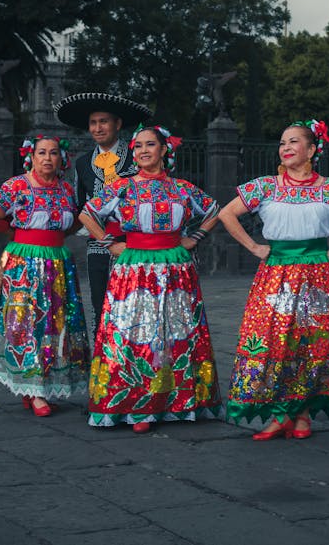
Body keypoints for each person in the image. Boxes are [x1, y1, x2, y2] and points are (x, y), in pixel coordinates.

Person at [219, 119, 329, 440]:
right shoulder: (265, 186)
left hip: (320, 275)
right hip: (276, 273)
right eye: (282, 143)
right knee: (274, 342)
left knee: (311, 344)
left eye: (293, 142)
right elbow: (226, 214)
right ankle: (280, 414)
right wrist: (254, 247)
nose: (286, 148)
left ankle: (302, 414)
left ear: (311, 149)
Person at [78, 124, 223, 433]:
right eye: (138, 146)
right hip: (134, 267)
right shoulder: (122, 187)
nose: (143, 150)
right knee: (136, 333)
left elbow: (214, 211)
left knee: (176, 332)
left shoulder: (182, 188)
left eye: (150, 145)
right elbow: (87, 214)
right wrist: (110, 243)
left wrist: (194, 237)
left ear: (163, 150)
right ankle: (137, 404)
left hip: (175, 266)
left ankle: (177, 402)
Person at [0, 135, 91, 416]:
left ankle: (39, 386)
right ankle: (32, 388)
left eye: (53, 153)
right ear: (31, 157)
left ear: (62, 159)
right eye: (41, 153)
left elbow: (73, 222)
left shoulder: (65, 189)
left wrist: (56, 235)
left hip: (58, 262)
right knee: (26, 323)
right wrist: (16, 234)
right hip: (24, 264)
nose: (47, 158)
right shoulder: (17, 186)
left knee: (55, 324)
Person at [54, 92, 153, 338]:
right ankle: (103, 362)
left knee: (138, 302)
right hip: (98, 243)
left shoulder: (137, 155)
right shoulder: (83, 163)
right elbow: (80, 205)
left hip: (136, 242)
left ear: (117, 124)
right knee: (100, 303)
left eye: (103, 121)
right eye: (93, 123)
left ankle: (136, 360)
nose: (98, 128)